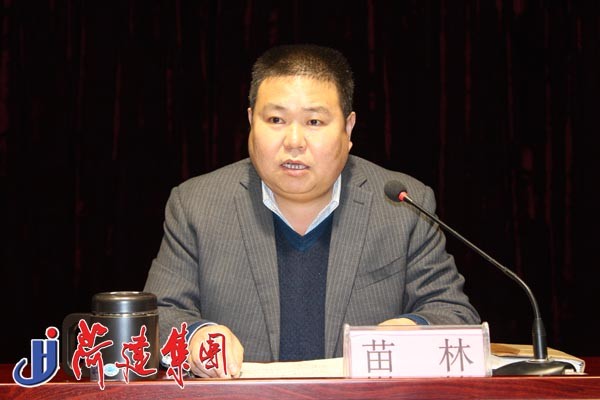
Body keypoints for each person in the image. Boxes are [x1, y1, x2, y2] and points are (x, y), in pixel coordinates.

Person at [143, 43, 480, 379]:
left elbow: (453, 314)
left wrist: (411, 329)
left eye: (314, 121)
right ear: (250, 121)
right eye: (276, 119)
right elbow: (158, 315)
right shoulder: (197, 205)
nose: (294, 141)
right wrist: (196, 336)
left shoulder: (401, 205)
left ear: (348, 128)